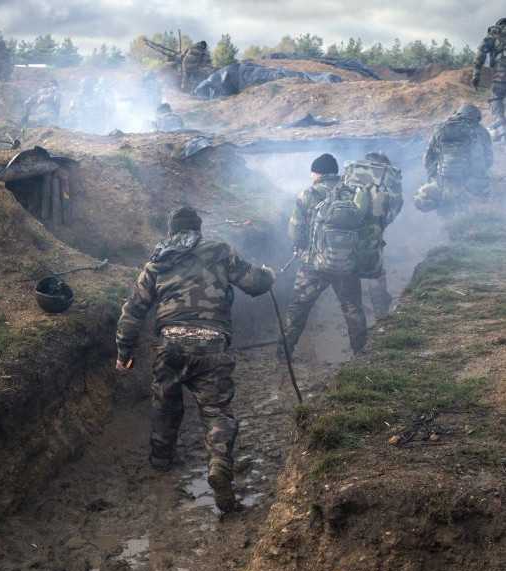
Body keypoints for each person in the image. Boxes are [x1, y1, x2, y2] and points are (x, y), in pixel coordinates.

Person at [115, 207, 275, 513]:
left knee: (165, 403)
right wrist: (269, 274)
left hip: (170, 343)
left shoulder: (157, 262)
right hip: (212, 343)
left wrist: (124, 353)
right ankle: (218, 464)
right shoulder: (220, 250)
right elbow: (255, 283)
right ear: (198, 230)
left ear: (171, 231)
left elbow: (133, 310)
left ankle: (161, 461)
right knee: (216, 412)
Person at [280, 153, 368, 359]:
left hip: (313, 266)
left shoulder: (307, 194)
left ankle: (284, 352)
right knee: (352, 308)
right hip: (347, 263)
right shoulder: (353, 193)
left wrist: (299, 248)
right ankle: (361, 354)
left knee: (298, 307)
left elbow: (295, 231)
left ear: (316, 173)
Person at [342, 152, 404, 318]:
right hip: (371, 235)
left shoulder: (351, 175)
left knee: (348, 274)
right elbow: (395, 207)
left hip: (343, 234)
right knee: (375, 274)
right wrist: (380, 226)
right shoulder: (387, 179)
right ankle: (381, 315)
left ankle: (354, 316)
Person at [414, 104, 493, 216]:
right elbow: (489, 158)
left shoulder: (441, 127)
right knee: (482, 202)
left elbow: (428, 157)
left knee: (436, 197)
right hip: (471, 179)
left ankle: (445, 222)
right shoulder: (480, 130)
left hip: (444, 177)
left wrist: (433, 176)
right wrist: (481, 176)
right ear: (476, 117)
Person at [473, 18, 506, 142]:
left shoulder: (494, 32)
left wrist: (476, 74)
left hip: (501, 72)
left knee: (496, 98)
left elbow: (481, 53)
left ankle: (501, 129)